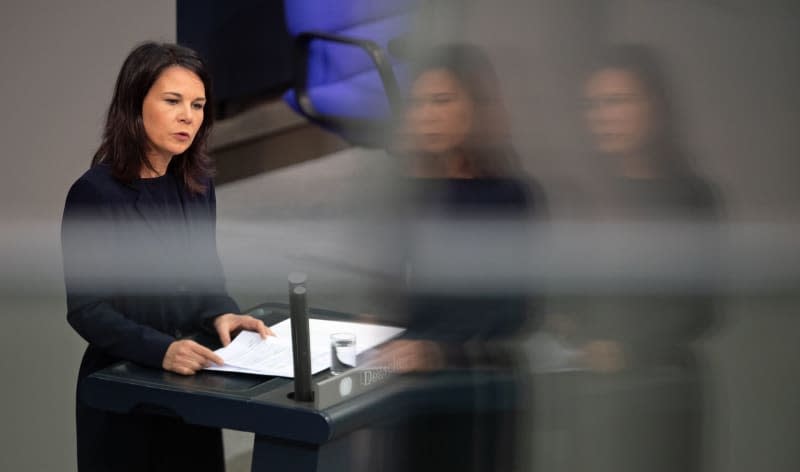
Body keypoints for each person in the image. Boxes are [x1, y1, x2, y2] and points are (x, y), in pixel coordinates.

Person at [61, 42, 272, 471]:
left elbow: (204, 276)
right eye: (172, 101)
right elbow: (87, 309)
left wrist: (222, 313)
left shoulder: (196, 182)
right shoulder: (94, 194)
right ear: (134, 104)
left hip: (193, 384)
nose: (188, 117)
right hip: (126, 387)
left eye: (197, 105)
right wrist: (162, 351)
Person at [540, 44, 718, 472]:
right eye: (594, 105)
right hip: (590, 392)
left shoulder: (691, 198)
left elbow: (700, 307)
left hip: (660, 392)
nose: (603, 116)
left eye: (617, 101)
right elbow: (563, 292)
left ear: (654, 106)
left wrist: (629, 350)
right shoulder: (582, 198)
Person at [386, 43, 544, 472]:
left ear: (475, 107)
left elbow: (516, 312)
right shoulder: (409, 193)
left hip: (475, 383)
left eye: (442, 101)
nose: (428, 116)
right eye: (419, 104)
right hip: (410, 380)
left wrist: (439, 352)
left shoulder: (510, 196)